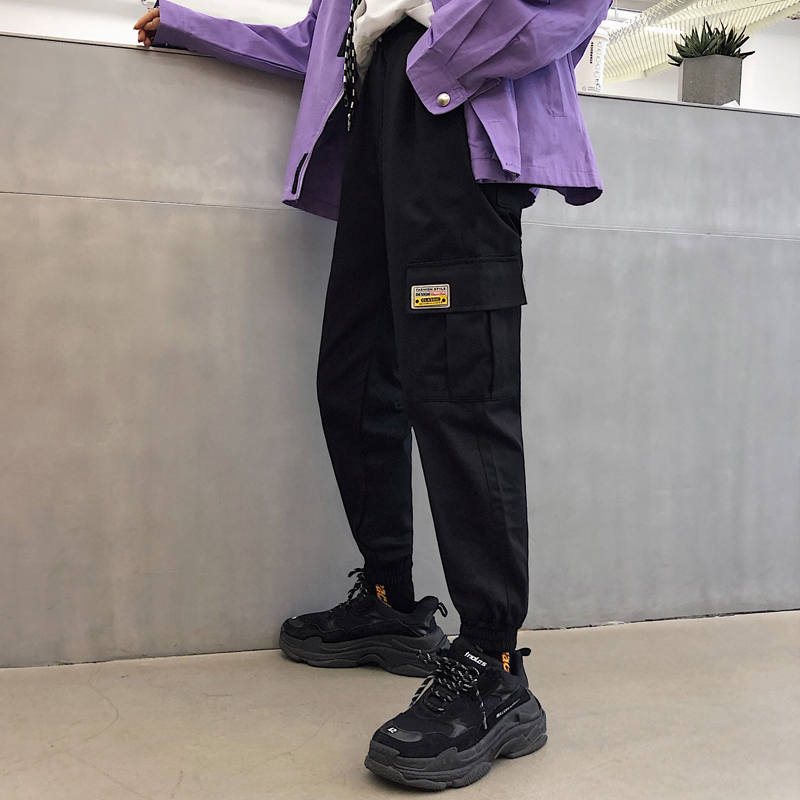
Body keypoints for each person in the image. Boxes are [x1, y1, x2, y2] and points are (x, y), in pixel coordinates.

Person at [135, 0, 610, 788]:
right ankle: (390, 599)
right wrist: (189, 24)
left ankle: (495, 664)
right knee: (353, 375)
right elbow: (313, 44)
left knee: (459, 392)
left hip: (452, 120)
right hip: (376, 138)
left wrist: (436, 55)